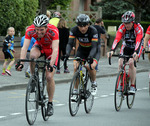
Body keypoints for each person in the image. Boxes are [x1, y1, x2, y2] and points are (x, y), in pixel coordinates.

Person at [16, 14, 59, 116]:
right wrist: (21, 63)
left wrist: (51, 65)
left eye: (41, 30)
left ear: (46, 27)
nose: (39, 32)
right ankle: (34, 77)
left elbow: (56, 49)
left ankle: (50, 103)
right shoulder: (30, 30)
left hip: (51, 51)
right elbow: (24, 48)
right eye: (37, 29)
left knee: (49, 76)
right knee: (32, 56)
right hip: (40, 47)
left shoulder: (53, 31)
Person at [107, 11, 144, 94]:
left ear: (132, 22)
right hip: (126, 45)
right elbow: (117, 39)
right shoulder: (122, 27)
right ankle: (121, 83)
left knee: (131, 63)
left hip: (136, 46)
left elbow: (139, 40)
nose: (126, 25)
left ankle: (133, 85)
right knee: (120, 63)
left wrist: (135, 52)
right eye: (125, 23)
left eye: (128, 23)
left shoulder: (138, 28)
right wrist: (112, 50)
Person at [65, 14, 99, 97]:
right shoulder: (74, 30)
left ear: (88, 24)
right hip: (82, 50)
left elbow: (94, 47)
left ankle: (94, 83)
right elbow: (70, 43)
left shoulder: (93, 31)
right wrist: (67, 54)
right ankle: (76, 90)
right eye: (80, 26)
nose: (82, 28)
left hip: (93, 50)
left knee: (90, 66)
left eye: (85, 25)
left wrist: (91, 57)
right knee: (75, 67)